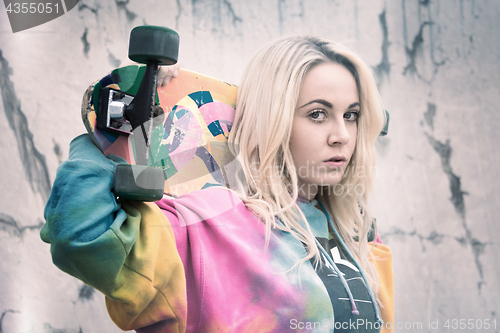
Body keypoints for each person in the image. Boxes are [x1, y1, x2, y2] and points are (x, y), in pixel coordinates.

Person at [41, 35, 393, 332]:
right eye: (317, 114)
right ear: (273, 121)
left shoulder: (359, 234)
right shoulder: (210, 223)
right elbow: (81, 233)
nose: (342, 136)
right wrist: (108, 137)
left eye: (352, 115)